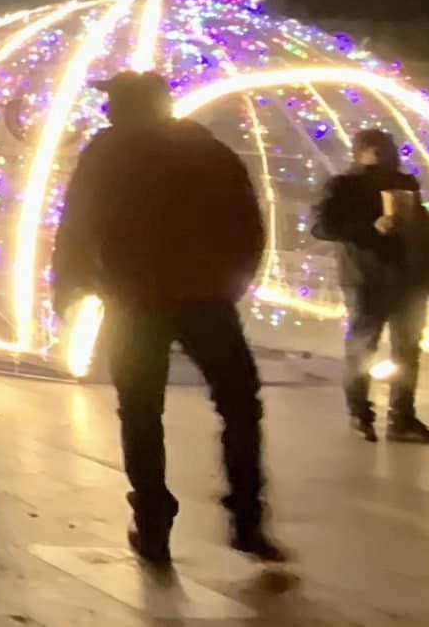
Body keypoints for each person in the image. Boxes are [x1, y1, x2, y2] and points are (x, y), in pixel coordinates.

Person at [53, 70, 285, 571]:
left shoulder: (108, 152)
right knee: (240, 405)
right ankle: (246, 515)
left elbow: (78, 219)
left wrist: (70, 282)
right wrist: (233, 278)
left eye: (112, 101)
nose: (105, 109)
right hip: (205, 298)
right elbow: (247, 217)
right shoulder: (206, 149)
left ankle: (154, 519)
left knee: (140, 411)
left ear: (131, 105)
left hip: (135, 300)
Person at [312, 127, 429, 445]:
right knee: (363, 347)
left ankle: (402, 417)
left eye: (391, 151)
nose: (388, 158)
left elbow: (422, 228)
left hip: (408, 279)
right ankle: (361, 414)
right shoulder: (343, 185)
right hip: (367, 278)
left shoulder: (404, 184)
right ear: (363, 152)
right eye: (381, 152)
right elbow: (322, 227)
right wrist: (371, 229)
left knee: (406, 350)